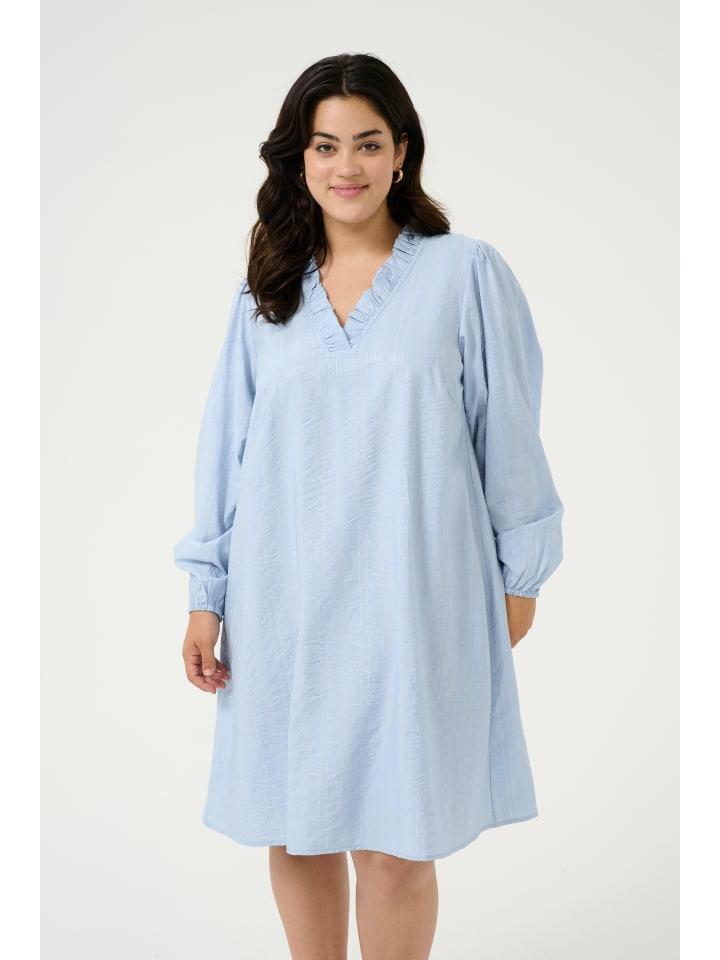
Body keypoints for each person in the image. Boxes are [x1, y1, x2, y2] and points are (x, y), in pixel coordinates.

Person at [173, 52, 564, 960]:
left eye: (367, 142)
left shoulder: (464, 273)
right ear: (299, 159)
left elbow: (510, 433)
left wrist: (520, 578)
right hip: (286, 602)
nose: (345, 165)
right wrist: (205, 593)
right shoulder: (265, 295)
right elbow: (226, 453)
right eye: (324, 145)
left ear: (402, 153)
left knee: (397, 842)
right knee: (298, 827)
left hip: (416, 595)